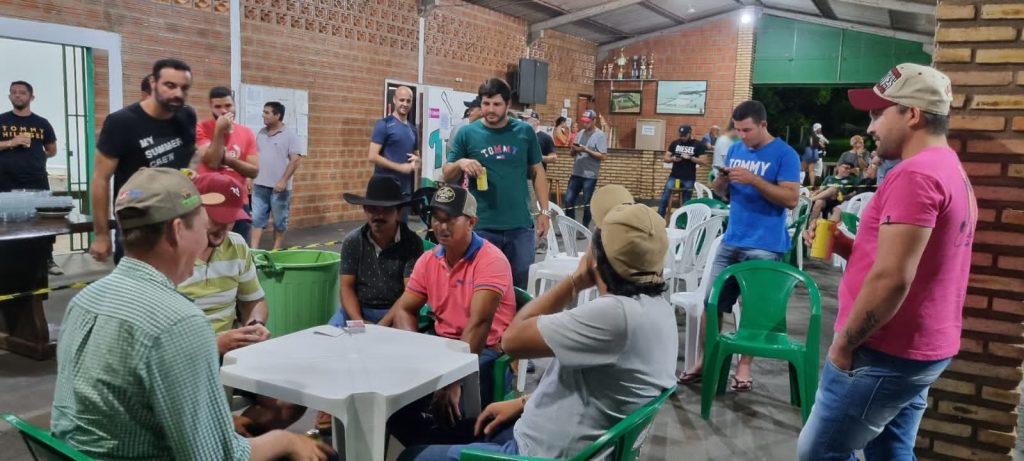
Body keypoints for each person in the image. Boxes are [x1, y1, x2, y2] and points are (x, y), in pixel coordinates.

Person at [51, 167, 331, 460]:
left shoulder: (84, 301)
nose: (211, 239)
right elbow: (215, 457)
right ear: (177, 230)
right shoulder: (179, 322)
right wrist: (285, 441)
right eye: (203, 225)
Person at [396, 196, 676, 461]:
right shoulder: (658, 308)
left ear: (595, 260)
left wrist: (576, 280)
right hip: (547, 429)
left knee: (411, 455)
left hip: (534, 450)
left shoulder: (614, 316)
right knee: (425, 431)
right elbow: (596, 388)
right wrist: (523, 403)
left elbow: (512, 339)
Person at [797, 64, 976, 460]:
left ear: (912, 113)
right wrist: (844, 244)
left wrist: (845, 344)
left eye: (880, 113)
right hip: (921, 349)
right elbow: (917, 259)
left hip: (882, 351)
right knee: (891, 453)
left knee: (818, 453)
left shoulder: (915, 175)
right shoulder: (949, 168)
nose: (872, 127)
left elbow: (893, 277)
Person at [677, 100, 800, 389]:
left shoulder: (785, 154)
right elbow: (724, 195)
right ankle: (706, 360)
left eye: (748, 130)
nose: (742, 136)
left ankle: (744, 367)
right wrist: (722, 182)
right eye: (739, 130)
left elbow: (791, 199)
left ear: (763, 125)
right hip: (732, 238)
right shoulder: (735, 150)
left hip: (766, 243)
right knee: (712, 302)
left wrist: (755, 180)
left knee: (754, 308)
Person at [387, 184, 518, 446]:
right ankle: (429, 447)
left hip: (484, 350)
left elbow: (479, 324)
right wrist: (415, 349)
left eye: (450, 219)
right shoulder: (429, 260)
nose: (441, 226)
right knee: (389, 398)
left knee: (456, 411)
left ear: (471, 222)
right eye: (436, 218)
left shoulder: (490, 260)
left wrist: (454, 378)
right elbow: (404, 308)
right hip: (440, 346)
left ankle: (440, 447)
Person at [178, 173, 305, 437]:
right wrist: (214, 344)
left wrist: (254, 324)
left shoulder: (236, 245)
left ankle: (229, 436)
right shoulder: (173, 253)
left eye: (231, 221)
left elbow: (255, 301)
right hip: (183, 357)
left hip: (231, 351)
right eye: (217, 219)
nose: (224, 228)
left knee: (292, 399)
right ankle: (221, 437)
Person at [443, 78, 550, 290]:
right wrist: (462, 162)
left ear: (508, 105)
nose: (490, 109)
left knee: (518, 288)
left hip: (519, 227)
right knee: (480, 287)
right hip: (481, 227)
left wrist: (544, 212)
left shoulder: (524, 132)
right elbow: (447, 174)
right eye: (485, 104)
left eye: (496, 104)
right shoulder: (467, 133)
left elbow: (538, 171)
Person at [89, 58, 199, 263]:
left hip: (178, 219)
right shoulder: (121, 122)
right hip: (137, 225)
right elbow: (100, 179)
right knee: (137, 290)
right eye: (170, 85)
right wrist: (102, 234)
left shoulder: (187, 116)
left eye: (184, 88)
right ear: (153, 83)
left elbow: (191, 157)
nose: (177, 93)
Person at [330, 175, 423, 326]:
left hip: (396, 310)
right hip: (357, 309)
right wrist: (358, 321)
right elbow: (346, 287)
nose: (378, 216)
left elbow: (410, 293)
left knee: (402, 340)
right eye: (372, 210)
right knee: (331, 335)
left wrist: (382, 325)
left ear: (399, 212)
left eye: (385, 210)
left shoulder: (412, 243)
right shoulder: (353, 241)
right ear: (365, 210)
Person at [1, 80, 60, 274]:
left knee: (43, 222)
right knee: (8, 223)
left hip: (36, 180)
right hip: (6, 181)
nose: (17, 95)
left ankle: (47, 259)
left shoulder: (41, 123)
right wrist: (12, 142)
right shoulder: (1, 120)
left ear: (31, 97)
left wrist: (37, 157)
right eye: (14, 92)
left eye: (22, 93)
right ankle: (9, 263)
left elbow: (51, 150)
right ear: (10, 96)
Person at [196, 86, 260, 244]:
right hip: (209, 201)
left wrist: (229, 160)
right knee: (206, 250)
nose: (224, 111)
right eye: (218, 107)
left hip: (238, 202)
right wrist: (219, 131)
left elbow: (254, 171)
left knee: (239, 249)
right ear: (211, 107)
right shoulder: (201, 128)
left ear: (234, 105)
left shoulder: (246, 133)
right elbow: (212, 161)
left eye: (228, 105)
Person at [251, 101, 303, 250]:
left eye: (267, 112)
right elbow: (254, 157)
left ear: (277, 115)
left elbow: (295, 161)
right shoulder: (261, 133)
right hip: (260, 185)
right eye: (264, 112)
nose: (263, 115)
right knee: (257, 219)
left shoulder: (290, 135)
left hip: (279, 188)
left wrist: (283, 181)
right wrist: (250, 178)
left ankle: (276, 250)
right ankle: (253, 250)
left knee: (279, 221)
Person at [369, 85, 420, 197]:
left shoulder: (413, 129)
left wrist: (417, 161)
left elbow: (416, 156)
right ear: (394, 100)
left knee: (403, 215)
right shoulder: (384, 124)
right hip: (385, 188)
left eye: (408, 101)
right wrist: (400, 167)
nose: (405, 104)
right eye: (402, 100)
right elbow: (372, 156)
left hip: (404, 190)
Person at [563, 109, 608, 229]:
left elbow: (603, 156)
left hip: (590, 175)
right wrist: (573, 149)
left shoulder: (599, 135)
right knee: (568, 200)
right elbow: (571, 154)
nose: (585, 124)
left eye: (588, 122)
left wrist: (586, 150)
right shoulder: (580, 133)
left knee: (587, 203)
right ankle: (571, 227)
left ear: (594, 121)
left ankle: (584, 228)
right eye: (584, 122)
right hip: (576, 173)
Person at [657, 124, 707, 217]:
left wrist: (690, 158)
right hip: (674, 176)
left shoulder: (698, 145)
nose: (682, 137)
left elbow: (703, 162)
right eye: (681, 135)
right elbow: (666, 158)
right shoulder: (675, 143)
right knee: (664, 199)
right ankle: (659, 219)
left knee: (686, 202)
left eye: (684, 135)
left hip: (689, 178)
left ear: (690, 133)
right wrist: (673, 159)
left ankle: (682, 223)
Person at [802, 122, 827, 187]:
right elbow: (823, 145)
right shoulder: (818, 137)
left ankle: (805, 184)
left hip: (807, 154)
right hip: (815, 155)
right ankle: (812, 185)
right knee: (813, 171)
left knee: (806, 171)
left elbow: (802, 145)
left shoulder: (807, 137)